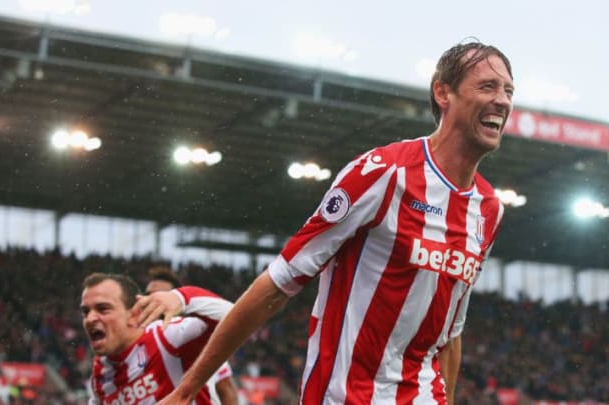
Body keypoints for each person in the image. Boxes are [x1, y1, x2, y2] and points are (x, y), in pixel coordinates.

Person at [159, 40, 514, 405]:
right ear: (443, 92)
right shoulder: (385, 174)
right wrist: (187, 390)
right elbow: (278, 283)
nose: (502, 100)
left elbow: (449, 334)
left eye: (508, 90)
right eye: (487, 86)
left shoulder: (489, 210)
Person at [80, 272, 233, 404]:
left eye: (103, 309)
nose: (90, 318)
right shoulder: (99, 374)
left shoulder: (168, 336)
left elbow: (237, 315)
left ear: (134, 314)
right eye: (85, 311)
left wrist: (182, 297)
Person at [145, 266, 239, 405]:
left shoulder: (199, 341)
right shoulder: (134, 344)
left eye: (161, 296)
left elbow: (226, 390)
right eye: (149, 295)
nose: (154, 301)